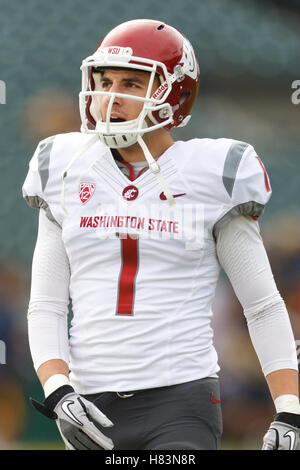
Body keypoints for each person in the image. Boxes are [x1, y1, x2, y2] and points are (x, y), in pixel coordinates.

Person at [22, 19, 300, 450]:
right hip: (86, 401)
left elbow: (261, 305)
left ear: (175, 94)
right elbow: (47, 303)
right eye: (104, 80)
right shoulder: (62, 166)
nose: (110, 96)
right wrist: (58, 389)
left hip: (180, 398)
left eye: (132, 84)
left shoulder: (213, 173)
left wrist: (289, 410)